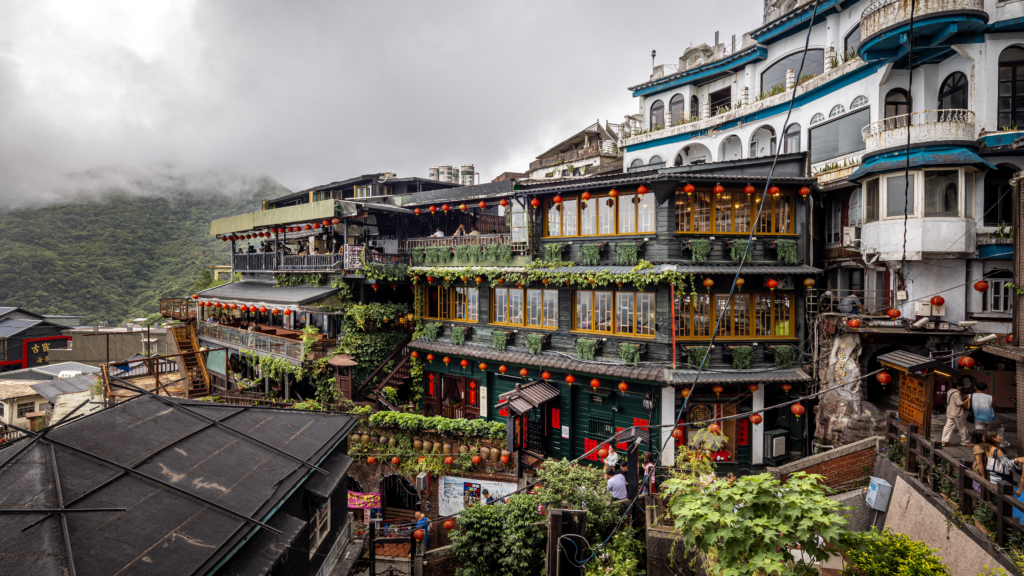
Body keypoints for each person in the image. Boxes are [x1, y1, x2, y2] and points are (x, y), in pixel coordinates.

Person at [972, 382, 1008, 448]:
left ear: (975, 387)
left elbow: (968, 406)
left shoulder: (971, 396)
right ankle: (1002, 443)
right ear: (985, 389)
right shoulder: (990, 397)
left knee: (980, 432)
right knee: (999, 428)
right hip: (990, 418)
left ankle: (981, 444)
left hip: (978, 418)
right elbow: (995, 406)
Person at [942, 380, 972, 447]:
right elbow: (959, 404)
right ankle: (965, 441)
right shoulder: (956, 393)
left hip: (950, 412)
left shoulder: (949, 391)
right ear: (958, 386)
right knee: (963, 427)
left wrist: (963, 397)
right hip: (958, 413)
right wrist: (967, 400)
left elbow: (953, 400)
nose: (962, 388)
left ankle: (944, 441)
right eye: (961, 386)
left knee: (948, 427)